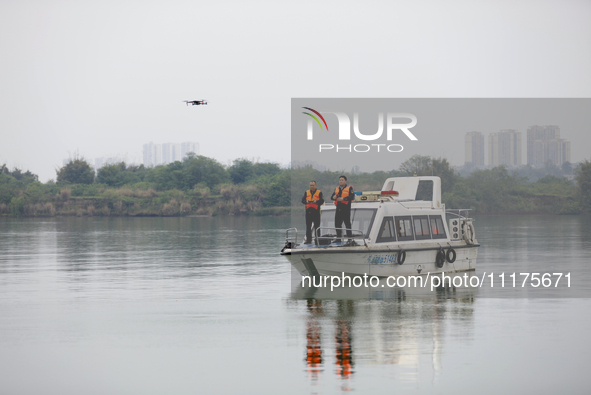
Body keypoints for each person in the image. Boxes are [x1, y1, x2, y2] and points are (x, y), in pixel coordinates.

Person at [331, 176, 354, 243]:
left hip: (346, 208)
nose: (341, 181)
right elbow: (332, 197)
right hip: (338, 208)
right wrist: (334, 197)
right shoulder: (336, 189)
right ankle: (338, 238)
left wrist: (343, 199)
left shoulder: (350, 188)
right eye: (340, 180)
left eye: (342, 180)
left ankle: (349, 238)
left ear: (345, 181)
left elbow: (352, 196)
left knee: (347, 223)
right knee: (337, 224)